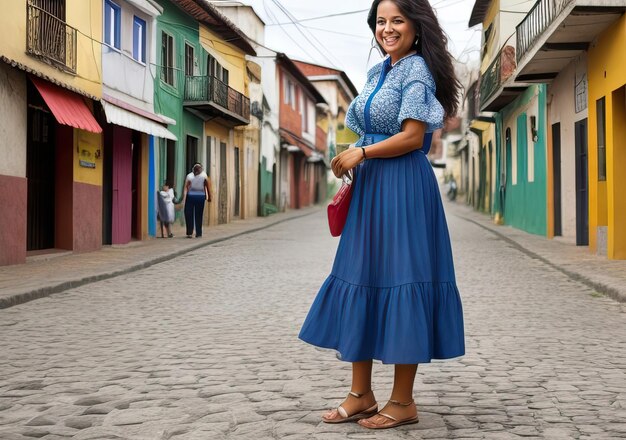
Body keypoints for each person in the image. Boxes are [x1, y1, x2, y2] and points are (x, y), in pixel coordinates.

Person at [299, 0, 465, 430]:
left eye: (396, 20)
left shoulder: (416, 71)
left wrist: (363, 151)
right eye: (380, 21)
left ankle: (403, 401)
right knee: (361, 276)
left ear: (415, 26)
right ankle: (361, 394)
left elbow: (412, 137)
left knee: (401, 279)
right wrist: (356, 153)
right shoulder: (378, 73)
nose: (386, 28)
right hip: (372, 186)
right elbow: (371, 129)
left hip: (404, 187)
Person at [183, 163, 211, 238]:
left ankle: (198, 233)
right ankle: (190, 232)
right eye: (196, 170)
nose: (197, 171)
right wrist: (185, 196)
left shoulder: (204, 176)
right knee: (189, 214)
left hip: (199, 197)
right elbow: (186, 187)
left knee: (197, 214)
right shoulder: (190, 176)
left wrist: (209, 196)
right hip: (193, 196)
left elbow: (207, 186)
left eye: (198, 170)